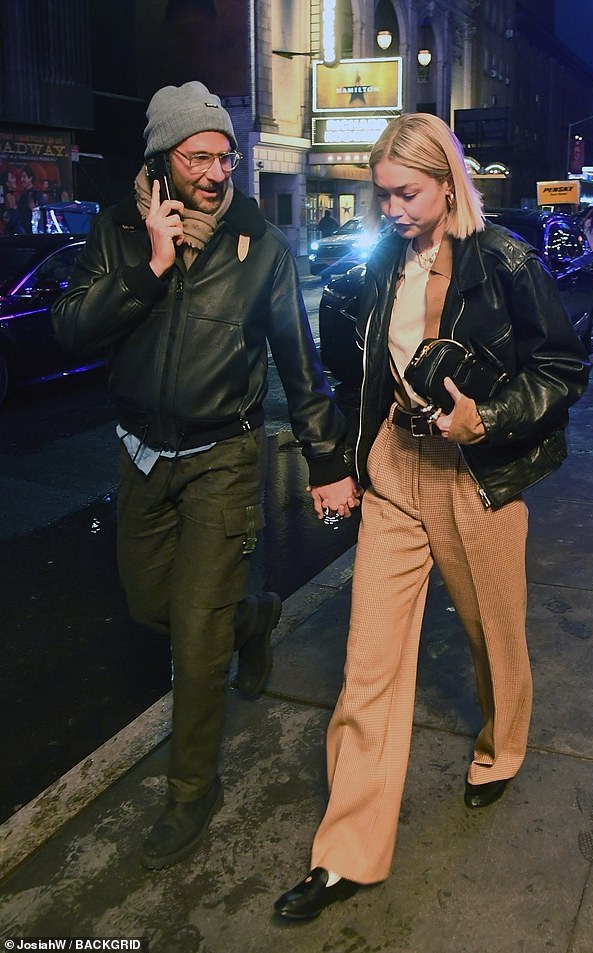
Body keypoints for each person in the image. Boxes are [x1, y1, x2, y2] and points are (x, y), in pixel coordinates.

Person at [274, 113, 589, 921]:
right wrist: (340, 462)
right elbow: (354, 376)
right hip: (396, 472)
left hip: (473, 476)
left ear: (449, 184)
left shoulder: (504, 261)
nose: (393, 210)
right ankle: (346, 851)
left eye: (407, 193)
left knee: (493, 630)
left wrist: (486, 420)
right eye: (382, 195)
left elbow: (560, 367)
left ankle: (502, 744)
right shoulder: (380, 267)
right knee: (367, 662)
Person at [52, 81, 361, 870]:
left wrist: (327, 464)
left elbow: (302, 363)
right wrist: (149, 266)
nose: (218, 171)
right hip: (141, 454)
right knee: (148, 602)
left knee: (194, 640)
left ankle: (192, 790)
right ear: (161, 160)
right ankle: (252, 618)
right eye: (199, 157)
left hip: (224, 456)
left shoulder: (260, 246)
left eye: (226, 156)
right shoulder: (117, 230)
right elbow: (68, 331)